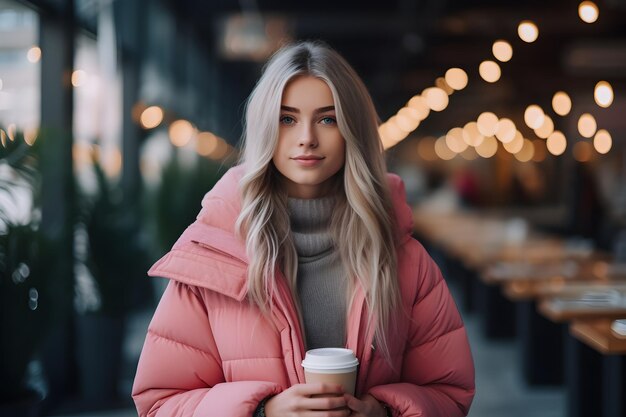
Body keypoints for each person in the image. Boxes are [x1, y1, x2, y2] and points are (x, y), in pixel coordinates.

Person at [132, 41, 475, 417]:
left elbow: (449, 393)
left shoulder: (404, 261)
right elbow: (159, 403)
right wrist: (264, 412)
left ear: (352, 131)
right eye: (287, 118)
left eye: (328, 119)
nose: (307, 137)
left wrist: (384, 411)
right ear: (266, 128)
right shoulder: (211, 260)